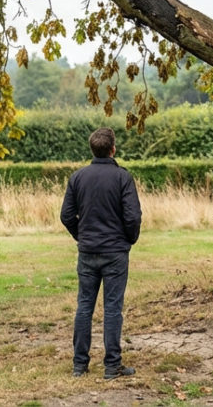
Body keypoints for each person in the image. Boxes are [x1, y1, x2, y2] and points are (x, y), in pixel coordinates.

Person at [61, 127, 142, 379]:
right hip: (115, 251)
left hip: (87, 251)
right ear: (113, 149)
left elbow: (66, 215)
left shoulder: (77, 178)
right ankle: (112, 366)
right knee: (112, 308)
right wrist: (129, 238)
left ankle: (79, 364)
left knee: (84, 306)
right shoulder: (122, 178)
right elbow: (133, 216)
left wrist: (80, 236)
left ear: (92, 149)